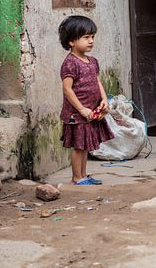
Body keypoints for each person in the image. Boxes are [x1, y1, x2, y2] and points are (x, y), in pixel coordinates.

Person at [58, 15, 113, 185]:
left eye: (92, 37)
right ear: (71, 42)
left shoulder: (92, 61)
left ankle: (83, 175)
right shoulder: (70, 63)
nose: (91, 41)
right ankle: (77, 177)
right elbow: (67, 89)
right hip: (77, 113)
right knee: (79, 147)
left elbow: (97, 82)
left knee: (85, 146)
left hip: (92, 111)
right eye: (86, 37)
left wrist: (104, 100)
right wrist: (81, 109)